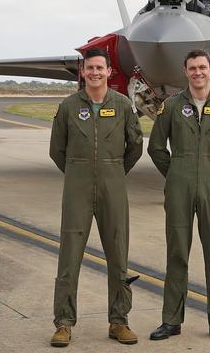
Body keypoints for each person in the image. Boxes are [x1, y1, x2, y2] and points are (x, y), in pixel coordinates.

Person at [147, 49, 210, 342]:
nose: (198, 73)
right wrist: (177, 171)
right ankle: (171, 320)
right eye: (192, 68)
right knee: (177, 251)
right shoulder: (172, 106)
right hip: (179, 184)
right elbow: (156, 147)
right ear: (185, 71)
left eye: (202, 67)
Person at [49, 47, 144, 347]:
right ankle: (63, 323)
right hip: (76, 188)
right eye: (89, 68)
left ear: (108, 72)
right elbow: (57, 150)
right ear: (83, 72)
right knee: (69, 256)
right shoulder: (67, 106)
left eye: (100, 68)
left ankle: (119, 321)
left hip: (112, 186)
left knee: (118, 255)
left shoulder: (123, 105)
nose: (94, 73)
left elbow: (135, 146)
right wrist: (79, 171)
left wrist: (112, 171)